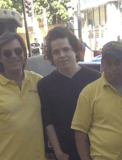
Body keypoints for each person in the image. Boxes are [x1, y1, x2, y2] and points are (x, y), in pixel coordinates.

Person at [71, 41, 122, 160]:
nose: (113, 68)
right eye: (109, 63)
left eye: (118, 62)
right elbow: (80, 133)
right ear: (102, 65)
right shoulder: (89, 92)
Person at [0, 32, 46, 160]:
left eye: (18, 51)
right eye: (7, 53)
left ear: (24, 54)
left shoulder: (38, 81)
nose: (14, 56)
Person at [37, 27, 101, 160]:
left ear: (75, 50)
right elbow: (48, 122)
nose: (62, 55)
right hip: (65, 152)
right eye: (56, 52)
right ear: (51, 56)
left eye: (66, 49)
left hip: (96, 149)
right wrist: (59, 153)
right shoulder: (45, 85)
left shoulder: (96, 78)